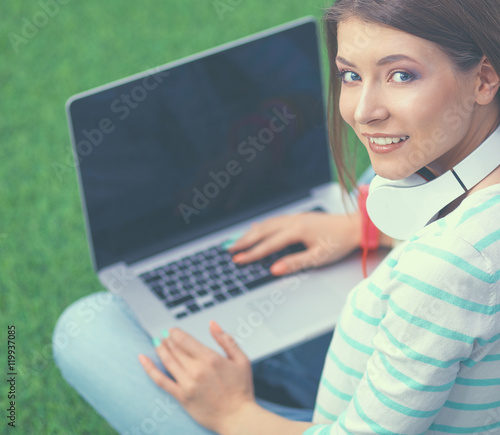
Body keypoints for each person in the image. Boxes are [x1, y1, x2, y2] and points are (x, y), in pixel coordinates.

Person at [53, 0, 500, 433]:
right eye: (350, 75)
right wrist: (361, 228)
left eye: (401, 75)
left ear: (483, 79)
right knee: (382, 172)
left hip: (337, 412)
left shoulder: (442, 270)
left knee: (85, 330)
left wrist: (233, 414)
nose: (363, 112)